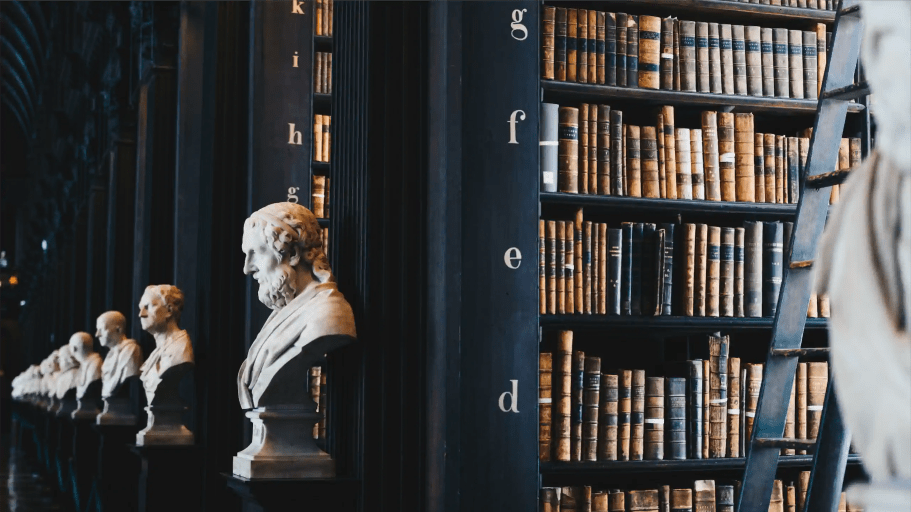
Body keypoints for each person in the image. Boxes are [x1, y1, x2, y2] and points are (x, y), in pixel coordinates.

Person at [237, 202, 356, 410]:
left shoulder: (328, 313)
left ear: (292, 254)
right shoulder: (283, 311)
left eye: (256, 253)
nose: (247, 268)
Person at [138, 284, 193, 403]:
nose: (141, 314)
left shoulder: (180, 347)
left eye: (148, 307)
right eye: (141, 308)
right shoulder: (158, 350)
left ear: (169, 310)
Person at [96, 311, 143, 398]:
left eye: (101, 330)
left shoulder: (131, 350)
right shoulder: (110, 355)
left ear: (118, 329)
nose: (97, 334)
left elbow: (130, 373)